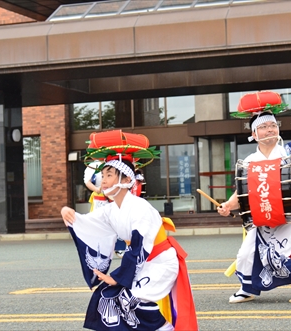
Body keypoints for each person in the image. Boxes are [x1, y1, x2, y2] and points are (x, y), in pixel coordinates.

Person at [61, 131, 197, 331]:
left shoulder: (140, 208)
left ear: (126, 180)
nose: (103, 180)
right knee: (107, 296)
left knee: (130, 299)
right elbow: (87, 224)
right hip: (143, 264)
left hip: (160, 262)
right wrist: (69, 214)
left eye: (109, 175)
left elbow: (139, 247)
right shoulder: (110, 210)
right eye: (102, 175)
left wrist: (117, 276)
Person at [217, 90, 291, 304]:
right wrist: (228, 204)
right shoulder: (250, 160)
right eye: (263, 127)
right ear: (254, 134)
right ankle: (247, 289)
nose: (269, 130)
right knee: (246, 254)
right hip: (262, 214)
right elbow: (243, 191)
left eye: (273, 125)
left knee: (274, 254)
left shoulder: (289, 151)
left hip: (289, 214)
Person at [84, 160, 126, 257]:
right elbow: (87, 181)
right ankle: (99, 247)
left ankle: (119, 247)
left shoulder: (114, 162)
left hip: (114, 196)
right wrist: (97, 189)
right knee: (100, 222)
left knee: (117, 221)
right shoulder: (92, 166)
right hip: (100, 198)